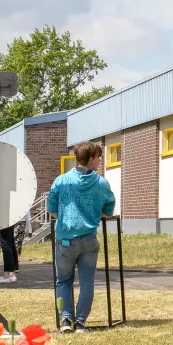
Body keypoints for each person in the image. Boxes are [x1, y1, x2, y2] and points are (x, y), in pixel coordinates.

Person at [48, 141, 115, 332]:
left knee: (63, 281)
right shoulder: (101, 183)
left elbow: (52, 210)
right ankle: (80, 322)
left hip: (66, 239)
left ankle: (66, 320)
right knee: (87, 282)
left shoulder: (61, 180)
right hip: (89, 239)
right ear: (91, 159)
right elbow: (108, 210)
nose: (100, 161)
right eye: (99, 158)